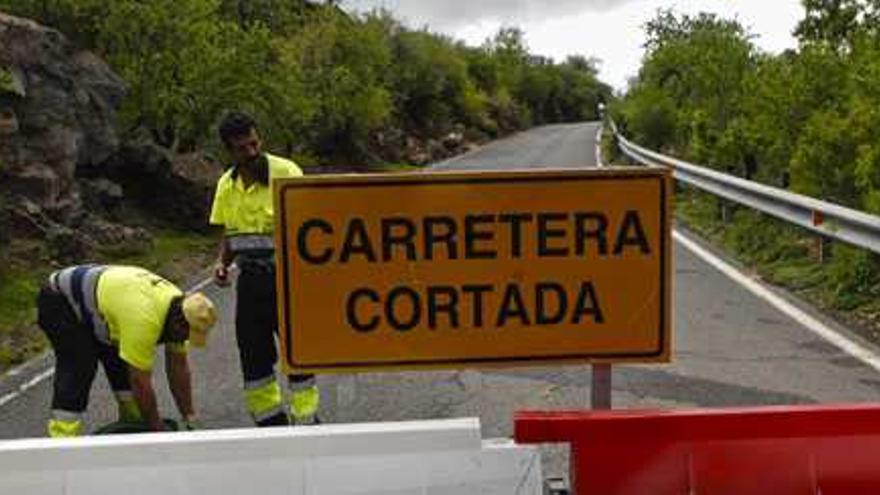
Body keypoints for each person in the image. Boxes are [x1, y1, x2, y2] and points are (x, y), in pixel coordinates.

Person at [209, 111, 320, 426]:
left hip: (288, 281)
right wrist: (222, 263)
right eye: (242, 148)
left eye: (255, 143)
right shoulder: (225, 186)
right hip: (250, 284)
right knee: (253, 357)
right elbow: (230, 233)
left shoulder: (286, 172)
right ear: (229, 151)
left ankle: (307, 422)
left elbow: (314, 226)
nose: (252, 152)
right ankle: (270, 423)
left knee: (298, 357)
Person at [36, 264, 218, 437]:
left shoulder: (181, 310)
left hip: (105, 301)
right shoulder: (144, 319)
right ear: (178, 322)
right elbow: (140, 381)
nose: (186, 339)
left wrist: (189, 418)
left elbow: (178, 367)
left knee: (121, 357)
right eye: (187, 334)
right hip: (60, 297)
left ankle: (133, 421)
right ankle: (63, 436)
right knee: (80, 365)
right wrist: (158, 430)